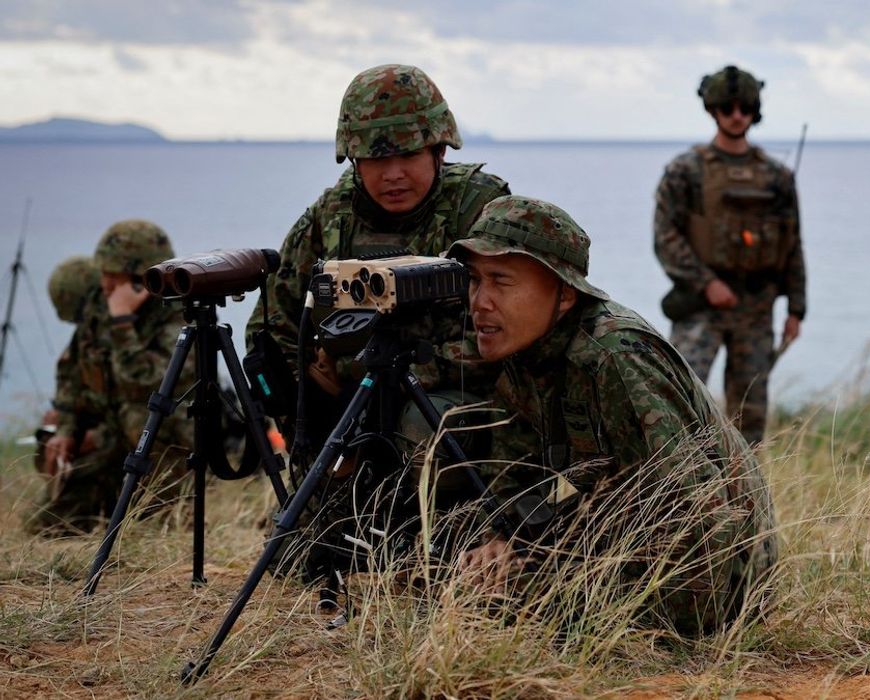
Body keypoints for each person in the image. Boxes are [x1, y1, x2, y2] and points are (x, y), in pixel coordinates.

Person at [447, 195, 778, 636]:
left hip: (723, 580)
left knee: (509, 602)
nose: (480, 302)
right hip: (622, 538)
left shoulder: (614, 357)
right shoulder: (525, 349)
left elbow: (699, 510)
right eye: (475, 281)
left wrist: (679, 630)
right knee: (465, 578)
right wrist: (501, 541)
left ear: (564, 293)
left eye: (501, 282)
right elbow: (522, 478)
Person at [245, 63, 509, 458]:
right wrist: (304, 401)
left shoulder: (479, 211)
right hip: (348, 404)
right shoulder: (333, 215)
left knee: (421, 426)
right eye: (375, 159)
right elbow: (273, 325)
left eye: (407, 155)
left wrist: (397, 375)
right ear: (354, 160)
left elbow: (515, 329)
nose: (393, 175)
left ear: (439, 150)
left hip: (450, 399)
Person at [653, 65, 805, 444]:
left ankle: (742, 496)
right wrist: (707, 284)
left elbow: (793, 243)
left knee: (749, 415)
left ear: (755, 111)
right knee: (682, 398)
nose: (737, 115)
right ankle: (674, 489)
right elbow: (665, 236)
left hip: (756, 308)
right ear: (713, 110)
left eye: (745, 108)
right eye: (728, 107)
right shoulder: (685, 170)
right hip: (702, 306)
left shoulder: (776, 176)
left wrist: (797, 308)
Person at [29, 221, 193, 533]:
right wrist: (66, 429)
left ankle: (163, 511)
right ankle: (104, 503)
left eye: (111, 275)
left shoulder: (178, 316)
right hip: (112, 434)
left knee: (136, 418)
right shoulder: (100, 308)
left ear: (138, 278)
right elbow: (71, 371)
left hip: (157, 439)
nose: (103, 284)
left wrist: (122, 322)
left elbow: (147, 382)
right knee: (45, 524)